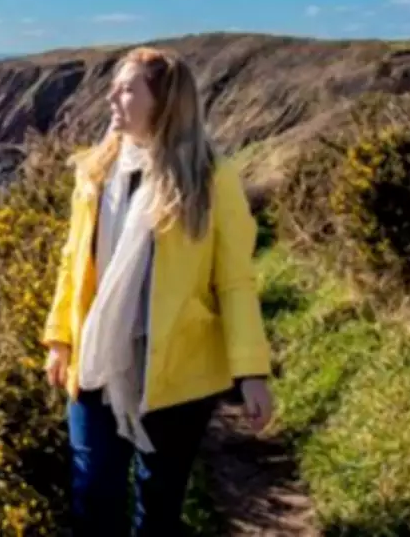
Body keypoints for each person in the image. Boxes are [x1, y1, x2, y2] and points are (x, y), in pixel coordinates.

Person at [42, 46, 273, 535]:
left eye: (127, 88)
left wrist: (251, 371)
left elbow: (234, 280)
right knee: (93, 497)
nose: (112, 96)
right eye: (114, 86)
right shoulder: (96, 173)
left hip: (178, 372)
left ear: (164, 101)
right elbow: (72, 262)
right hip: (96, 362)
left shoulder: (211, 179)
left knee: (159, 505)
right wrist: (60, 338)